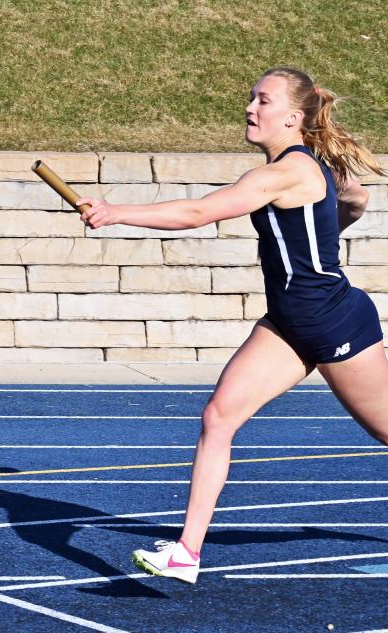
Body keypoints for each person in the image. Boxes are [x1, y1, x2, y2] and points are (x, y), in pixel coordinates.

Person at [75, 67, 388, 584]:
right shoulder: (309, 169)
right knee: (219, 417)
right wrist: (329, 224)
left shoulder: (287, 172)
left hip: (334, 323)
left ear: (293, 117)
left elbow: (199, 213)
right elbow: (356, 198)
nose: (250, 107)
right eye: (250, 97)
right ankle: (187, 553)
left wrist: (116, 212)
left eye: (263, 100)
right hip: (288, 324)